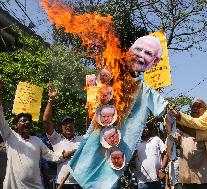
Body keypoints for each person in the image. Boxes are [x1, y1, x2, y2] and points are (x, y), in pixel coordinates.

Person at [70, 35, 168, 189]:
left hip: (115, 163)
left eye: (148, 53)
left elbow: (167, 111)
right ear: (129, 51)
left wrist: (178, 115)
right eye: (138, 49)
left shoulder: (146, 92)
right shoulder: (112, 76)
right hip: (90, 155)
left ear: (154, 62)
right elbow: (94, 102)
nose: (141, 55)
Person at [0, 79, 73, 189]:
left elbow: (51, 156)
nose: (27, 123)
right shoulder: (10, 136)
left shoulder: (37, 141)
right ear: (16, 125)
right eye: (23, 121)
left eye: (28, 121)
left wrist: (64, 155)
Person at [171, 98, 207, 189]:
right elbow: (171, 136)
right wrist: (167, 115)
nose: (195, 108)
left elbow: (193, 133)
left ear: (206, 111)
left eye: (199, 106)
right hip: (186, 179)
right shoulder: (182, 127)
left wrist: (177, 120)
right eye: (193, 106)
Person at [43, 83, 83, 189]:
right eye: (65, 124)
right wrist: (51, 100)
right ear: (61, 127)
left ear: (74, 126)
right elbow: (46, 121)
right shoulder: (56, 139)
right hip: (62, 183)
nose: (68, 125)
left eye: (70, 123)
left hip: (81, 183)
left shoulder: (82, 139)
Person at [134, 124, 168, 189]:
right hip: (142, 182)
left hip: (157, 180)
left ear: (149, 129)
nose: (144, 129)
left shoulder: (156, 139)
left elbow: (166, 154)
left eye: (146, 128)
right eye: (142, 128)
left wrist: (162, 169)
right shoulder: (135, 144)